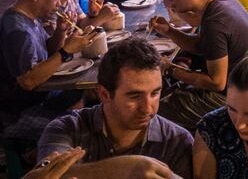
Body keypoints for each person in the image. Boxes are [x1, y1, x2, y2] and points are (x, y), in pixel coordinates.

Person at [37, 38, 194, 178]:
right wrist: (115, 170)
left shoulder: (177, 141)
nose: (147, 109)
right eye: (134, 96)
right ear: (104, 94)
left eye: (155, 93)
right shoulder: (66, 129)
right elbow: (44, 175)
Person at [151, 0, 248, 131]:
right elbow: (202, 45)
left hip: (237, 99)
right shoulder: (223, 1)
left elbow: (216, 82)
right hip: (245, 86)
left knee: (155, 111)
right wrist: (169, 31)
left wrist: (171, 69)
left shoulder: (215, 22)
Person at [0, 0, 94, 114]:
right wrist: (66, 51)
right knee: (92, 103)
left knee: (91, 91)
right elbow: (28, 81)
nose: (59, 4)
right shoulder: (18, 30)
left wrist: (60, 32)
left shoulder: (30, 17)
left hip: (44, 93)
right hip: (25, 110)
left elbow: (48, 50)